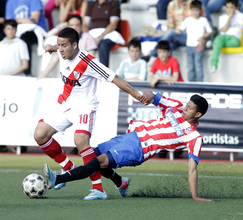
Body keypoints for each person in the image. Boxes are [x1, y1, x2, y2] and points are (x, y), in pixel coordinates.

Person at [33, 27, 147, 200]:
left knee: (80, 141)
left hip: (84, 107)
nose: (60, 49)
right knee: (40, 135)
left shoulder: (88, 62)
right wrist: (50, 47)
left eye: (64, 45)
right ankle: (68, 166)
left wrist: (138, 95)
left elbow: (116, 78)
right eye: (59, 45)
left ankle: (98, 189)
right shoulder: (61, 51)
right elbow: (55, 47)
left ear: (75, 44)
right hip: (65, 104)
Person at [43, 90, 213, 202]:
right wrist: (148, 95)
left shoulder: (194, 137)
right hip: (131, 136)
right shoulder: (175, 107)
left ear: (198, 114)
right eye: (187, 104)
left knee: (96, 162)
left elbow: (192, 169)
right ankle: (120, 182)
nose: (185, 108)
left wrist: (195, 196)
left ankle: (58, 179)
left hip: (139, 149)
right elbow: (154, 96)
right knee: (90, 154)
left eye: (189, 108)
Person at [38, 14, 97, 79]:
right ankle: (43, 74)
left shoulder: (88, 37)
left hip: (82, 71)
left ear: (81, 26)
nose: (74, 27)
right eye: (72, 25)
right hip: (67, 70)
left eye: (77, 25)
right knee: (58, 53)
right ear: (68, 26)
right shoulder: (65, 39)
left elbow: (91, 57)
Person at [5, 0, 47, 76]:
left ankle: (27, 73)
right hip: (18, 31)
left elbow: (34, 20)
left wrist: (16, 21)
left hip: (35, 30)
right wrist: (24, 20)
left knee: (24, 40)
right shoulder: (10, 2)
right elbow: (8, 23)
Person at [210, 0, 243, 73]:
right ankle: (214, 65)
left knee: (217, 41)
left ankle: (212, 44)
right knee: (218, 38)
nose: (229, 10)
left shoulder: (241, 16)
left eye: (231, 8)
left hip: (234, 40)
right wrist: (229, 18)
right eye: (227, 7)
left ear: (236, 8)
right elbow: (224, 30)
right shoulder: (222, 17)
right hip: (223, 38)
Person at [176, 0, 212, 82]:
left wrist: (203, 37)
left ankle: (200, 83)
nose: (195, 12)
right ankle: (191, 82)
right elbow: (180, 29)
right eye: (193, 10)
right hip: (189, 45)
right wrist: (177, 29)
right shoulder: (188, 20)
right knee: (190, 66)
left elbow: (209, 32)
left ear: (200, 11)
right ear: (190, 10)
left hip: (198, 45)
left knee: (198, 65)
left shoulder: (203, 20)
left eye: (197, 10)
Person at [84, 0, 124, 67]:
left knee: (103, 44)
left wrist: (100, 37)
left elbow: (113, 25)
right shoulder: (92, 4)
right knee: (84, 42)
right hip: (93, 33)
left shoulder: (113, 3)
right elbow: (85, 24)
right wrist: (87, 35)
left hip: (109, 33)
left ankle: (104, 73)